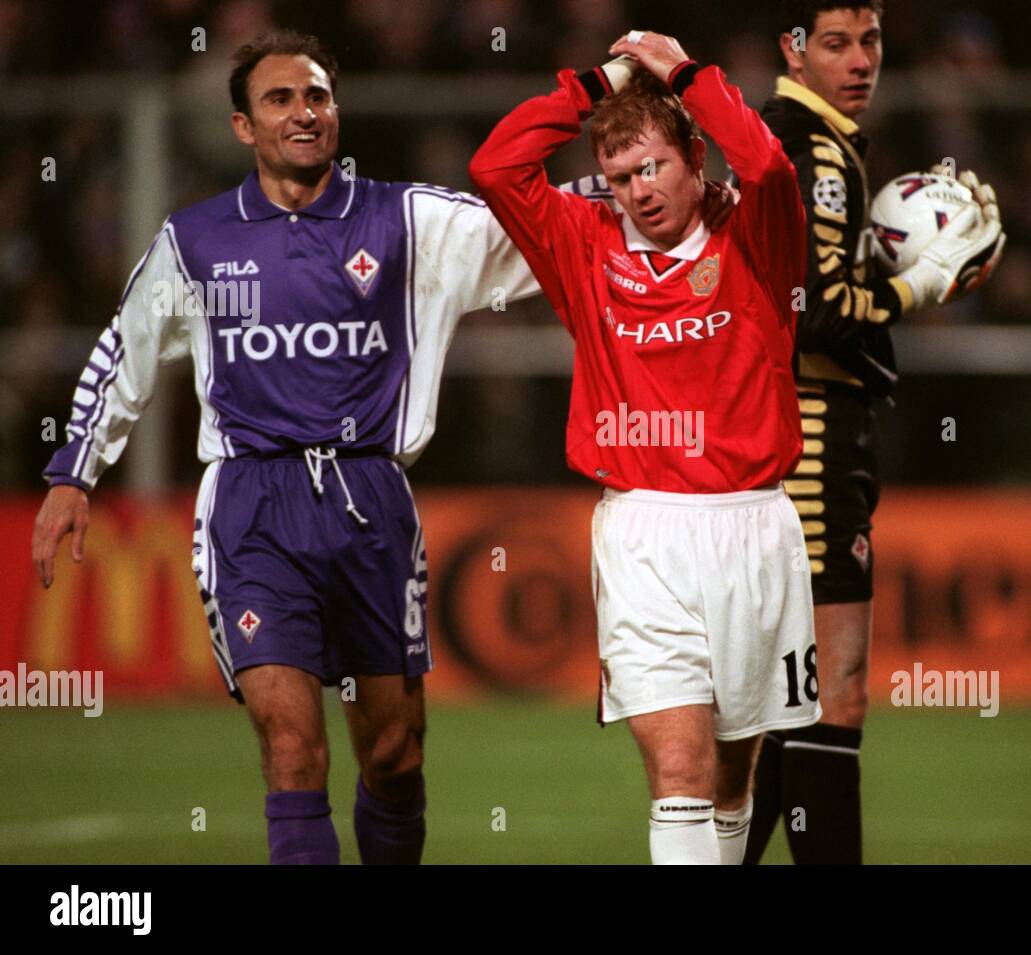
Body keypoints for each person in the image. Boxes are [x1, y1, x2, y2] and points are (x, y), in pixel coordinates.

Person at [27, 29, 636, 865]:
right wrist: (74, 471)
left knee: (395, 753)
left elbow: (540, 222)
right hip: (252, 511)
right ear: (243, 126)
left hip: (371, 506)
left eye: (317, 96)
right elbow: (122, 352)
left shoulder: (409, 221)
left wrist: (643, 179)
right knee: (291, 748)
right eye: (280, 99)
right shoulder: (197, 240)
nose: (304, 113)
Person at [470, 30, 831, 864]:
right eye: (624, 176)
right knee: (680, 768)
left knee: (735, 779)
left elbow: (769, 164)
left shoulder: (756, 235)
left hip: (755, 529)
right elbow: (495, 168)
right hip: (645, 533)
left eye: (655, 167)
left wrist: (683, 74)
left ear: (694, 157)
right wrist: (596, 83)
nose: (639, 191)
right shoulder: (582, 244)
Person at [745, 0, 1005, 864]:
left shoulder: (807, 137)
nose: (861, 61)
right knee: (833, 690)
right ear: (794, 49)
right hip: (812, 438)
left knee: (800, 697)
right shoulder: (816, 149)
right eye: (836, 43)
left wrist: (924, 269)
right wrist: (922, 283)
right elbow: (815, 314)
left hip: (812, 431)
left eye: (871, 41)